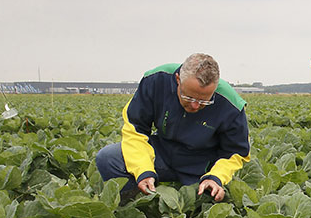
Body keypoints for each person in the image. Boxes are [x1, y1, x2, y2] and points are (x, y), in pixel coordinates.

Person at [95, 53, 249, 202]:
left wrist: (216, 177)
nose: (195, 105)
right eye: (188, 97)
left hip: (202, 165)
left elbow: (235, 152)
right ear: (178, 80)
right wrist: (143, 171)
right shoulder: (156, 80)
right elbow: (136, 129)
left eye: (204, 101)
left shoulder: (231, 104)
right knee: (108, 158)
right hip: (162, 152)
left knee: (220, 198)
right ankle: (138, 206)